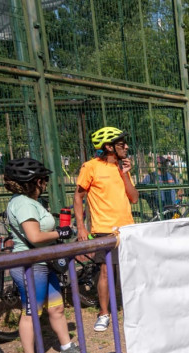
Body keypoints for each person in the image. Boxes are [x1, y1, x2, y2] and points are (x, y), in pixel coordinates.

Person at [3, 158, 81, 353]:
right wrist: (61, 233)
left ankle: (66, 346)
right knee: (31, 312)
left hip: (43, 262)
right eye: (44, 179)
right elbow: (35, 236)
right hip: (30, 265)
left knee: (56, 307)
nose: (46, 182)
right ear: (34, 181)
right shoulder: (23, 204)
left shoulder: (32, 202)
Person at [73, 126, 138, 332]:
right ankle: (104, 313)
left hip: (127, 228)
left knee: (129, 271)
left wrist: (126, 174)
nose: (126, 147)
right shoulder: (90, 167)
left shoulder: (121, 167)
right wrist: (81, 227)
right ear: (108, 147)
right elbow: (78, 196)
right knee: (105, 271)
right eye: (121, 144)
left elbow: (134, 198)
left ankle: (132, 308)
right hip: (104, 228)